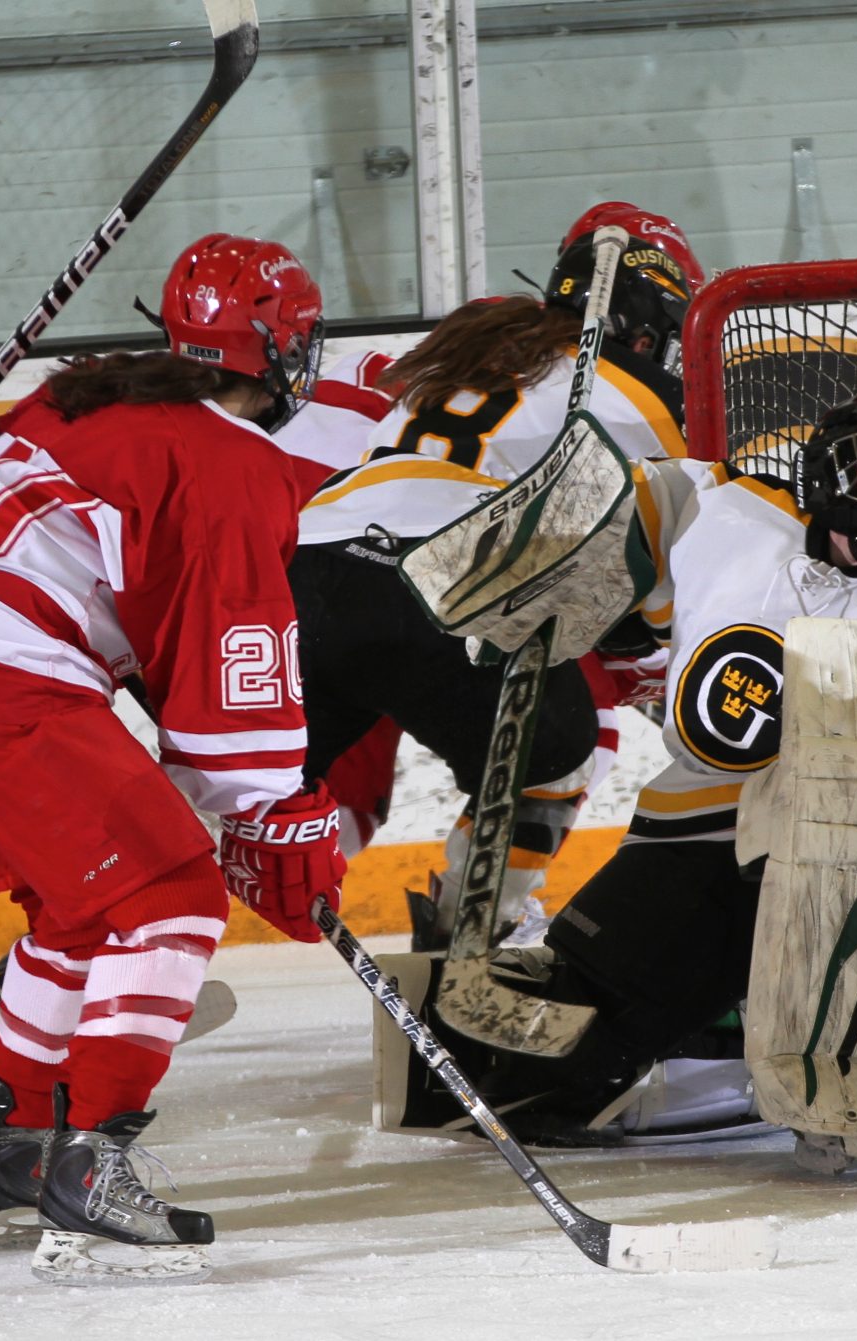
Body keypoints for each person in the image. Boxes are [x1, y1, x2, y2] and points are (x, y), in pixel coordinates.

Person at [0, 233, 341, 1285]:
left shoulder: (86, 389)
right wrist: (265, 807)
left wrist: (241, 790)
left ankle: (15, 1156)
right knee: (170, 898)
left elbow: (147, 611)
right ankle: (92, 1166)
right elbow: (223, 665)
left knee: (83, 905)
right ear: (281, 350)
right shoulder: (235, 463)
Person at [410, 382, 857, 1147]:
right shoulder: (729, 507)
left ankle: (854, 1064)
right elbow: (632, 500)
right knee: (541, 1078)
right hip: (688, 833)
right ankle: (714, 1068)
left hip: (841, 863)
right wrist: (532, 552)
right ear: (832, 474)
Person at [292, 204, 700, 949]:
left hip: (316, 561)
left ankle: (116, 916)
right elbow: (669, 564)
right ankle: (471, 935)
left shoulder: (477, 342)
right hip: (440, 575)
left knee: (252, 780)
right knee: (559, 749)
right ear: (649, 325)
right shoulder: (648, 393)